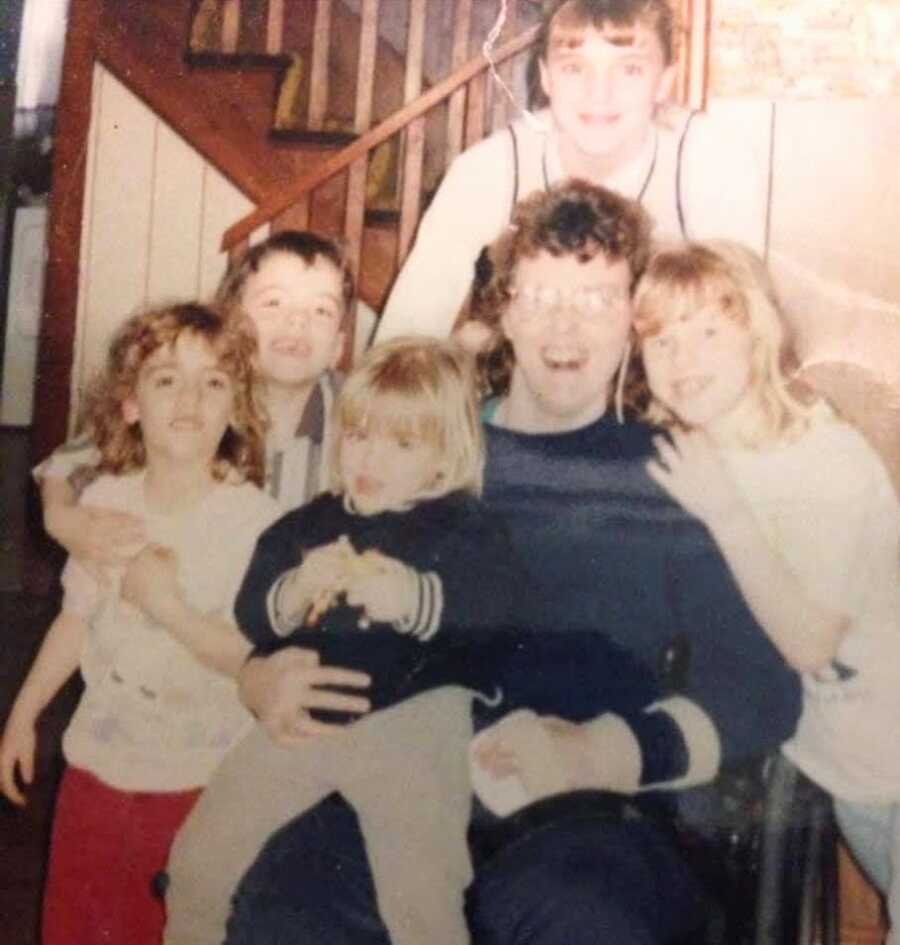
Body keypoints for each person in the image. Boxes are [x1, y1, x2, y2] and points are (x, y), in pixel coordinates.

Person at [224, 181, 801, 945]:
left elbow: (762, 685)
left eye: (596, 299)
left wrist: (609, 750)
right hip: (388, 785)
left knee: (587, 921)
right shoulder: (419, 452)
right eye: (541, 295)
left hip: (583, 815)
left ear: (633, 318)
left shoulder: (670, 475)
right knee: (286, 910)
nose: (565, 322)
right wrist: (257, 675)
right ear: (503, 311)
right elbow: (302, 585)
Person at [632, 240, 900, 945]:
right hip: (853, 774)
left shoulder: (822, 457)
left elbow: (810, 642)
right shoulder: (704, 455)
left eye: (709, 332)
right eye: (662, 338)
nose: (683, 358)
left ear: (758, 333)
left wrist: (723, 512)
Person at [0, 303, 281, 945]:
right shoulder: (104, 504)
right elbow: (75, 621)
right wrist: (24, 714)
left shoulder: (253, 524)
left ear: (236, 405)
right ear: (129, 405)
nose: (190, 397)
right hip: (96, 762)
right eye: (165, 380)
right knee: (73, 923)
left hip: (198, 775)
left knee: (165, 927)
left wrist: (166, 607)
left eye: (213, 381)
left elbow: (248, 662)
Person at [375, 0, 767, 344]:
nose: (599, 92)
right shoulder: (490, 168)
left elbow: (747, 333)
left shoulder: (708, 160)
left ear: (664, 81)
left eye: (629, 69)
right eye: (575, 68)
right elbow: (406, 333)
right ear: (546, 77)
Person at [34, 229, 352, 572]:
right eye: (274, 303)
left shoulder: (364, 413)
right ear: (231, 322)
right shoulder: (198, 393)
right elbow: (65, 467)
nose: (297, 320)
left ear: (338, 346)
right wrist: (64, 521)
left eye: (321, 310)